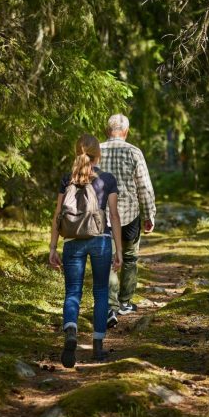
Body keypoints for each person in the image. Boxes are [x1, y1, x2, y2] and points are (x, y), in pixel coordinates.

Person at [49, 134, 122, 368]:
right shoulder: (107, 179)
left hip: (72, 241)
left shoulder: (66, 179)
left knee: (72, 292)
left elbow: (57, 215)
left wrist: (52, 247)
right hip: (100, 240)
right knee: (101, 291)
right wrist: (119, 250)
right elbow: (114, 215)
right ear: (97, 153)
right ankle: (98, 347)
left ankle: (71, 330)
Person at [100, 114, 156, 325]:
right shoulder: (134, 152)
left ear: (108, 130)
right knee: (130, 257)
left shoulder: (97, 150)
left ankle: (110, 306)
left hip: (103, 215)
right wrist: (149, 215)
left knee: (109, 259)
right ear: (126, 132)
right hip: (130, 214)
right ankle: (124, 302)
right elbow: (144, 187)